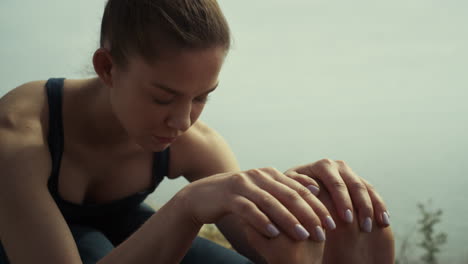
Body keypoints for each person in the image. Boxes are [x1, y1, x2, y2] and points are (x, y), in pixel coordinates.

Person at [0, 0, 394, 263]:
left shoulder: (195, 143)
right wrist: (188, 205)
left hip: (128, 228)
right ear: (107, 68)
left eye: (202, 97)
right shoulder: (16, 136)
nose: (182, 121)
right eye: (162, 98)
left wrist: (314, 210)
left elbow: (266, 243)